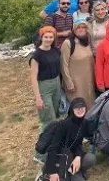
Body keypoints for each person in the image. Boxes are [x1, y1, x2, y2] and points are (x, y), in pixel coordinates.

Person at [41, 97, 97, 181]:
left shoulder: (84, 123)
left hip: (72, 157)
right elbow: (53, 148)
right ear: (72, 110)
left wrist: (78, 157)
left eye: (82, 107)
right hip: (60, 158)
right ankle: (48, 171)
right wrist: (52, 172)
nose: (80, 110)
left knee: (90, 158)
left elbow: (78, 143)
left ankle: (74, 172)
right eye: (77, 108)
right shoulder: (63, 125)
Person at [30, 26, 62, 164]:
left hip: (56, 84)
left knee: (54, 118)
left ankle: (52, 148)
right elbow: (33, 78)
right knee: (47, 121)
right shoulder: (37, 55)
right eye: (46, 37)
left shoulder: (55, 50)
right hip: (44, 86)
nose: (48, 39)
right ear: (41, 38)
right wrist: (38, 97)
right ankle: (40, 154)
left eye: (51, 36)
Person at [60, 19, 96, 108]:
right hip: (76, 83)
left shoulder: (88, 40)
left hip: (89, 81)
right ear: (74, 29)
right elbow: (63, 64)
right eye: (78, 27)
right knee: (79, 106)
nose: (81, 29)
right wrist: (69, 83)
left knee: (90, 105)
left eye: (84, 27)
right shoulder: (68, 43)